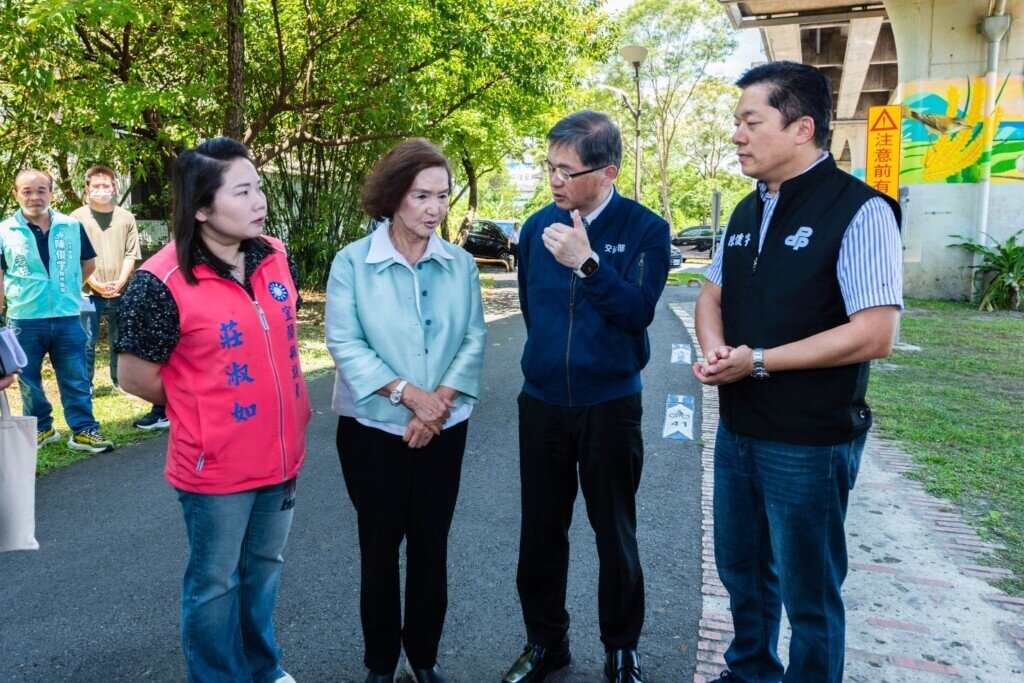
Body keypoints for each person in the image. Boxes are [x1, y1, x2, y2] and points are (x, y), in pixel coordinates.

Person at [692, 62, 903, 683]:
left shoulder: (860, 210)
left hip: (810, 440)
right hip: (739, 432)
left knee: (810, 594)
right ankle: (750, 671)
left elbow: (875, 333)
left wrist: (756, 361)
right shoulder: (746, 210)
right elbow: (711, 295)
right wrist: (717, 353)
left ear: (801, 128)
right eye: (737, 122)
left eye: (750, 121)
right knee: (742, 572)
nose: (737, 135)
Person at [116, 137, 309, 683]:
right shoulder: (160, 282)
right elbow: (134, 376)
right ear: (201, 207)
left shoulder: (274, 255)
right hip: (215, 465)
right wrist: (204, 402)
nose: (259, 201)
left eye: (259, 188)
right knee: (215, 583)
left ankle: (263, 668)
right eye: (242, 192)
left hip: (281, 455)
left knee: (263, 570)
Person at [501, 111, 670, 683]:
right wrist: (550, 363)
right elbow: (533, 310)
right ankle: (546, 643)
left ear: (607, 172)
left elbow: (637, 311)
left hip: (610, 405)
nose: (555, 180)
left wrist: (588, 262)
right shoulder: (534, 228)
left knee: (614, 531)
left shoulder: (645, 228)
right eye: (549, 167)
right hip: (543, 402)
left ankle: (622, 648)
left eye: (567, 171)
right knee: (540, 531)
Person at [325, 138, 485, 683]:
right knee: (378, 546)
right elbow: (345, 343)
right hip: (371, 431)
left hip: (444, 427)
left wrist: (436, 406)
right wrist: (409, 396)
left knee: (431, 545)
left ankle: (423, 658)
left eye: (442, 196)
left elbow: (473, 339)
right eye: (421, 196)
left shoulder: (460, 264)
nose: (434, 209)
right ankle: (380, 663)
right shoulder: (352, 262)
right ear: (394, 196)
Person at [0, 169, 114, 453]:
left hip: (67, 316)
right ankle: (42, 427)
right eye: (27, 191)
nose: (35, 197)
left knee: (75, 375)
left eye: (41, 190)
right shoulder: (4, 231)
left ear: (51, 193)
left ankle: (84, 430)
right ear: (15, 194)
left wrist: (69, 290)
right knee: (28, 378)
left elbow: (88, 263)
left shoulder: (71, 226)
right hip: (25, 317)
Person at [70, 166, 169, 430]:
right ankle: (86, 385)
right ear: (87, 188)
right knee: (86, 341)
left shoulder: (126, 217)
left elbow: (130, 254)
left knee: (120, 339)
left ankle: (119, 383)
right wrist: (94, 282)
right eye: (96, 186)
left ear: (115, 188)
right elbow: (74, 256)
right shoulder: (76, 218)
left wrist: (122, 281)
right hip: (87, 291)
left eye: (106, 186)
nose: (101, 190)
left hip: (121, 289)